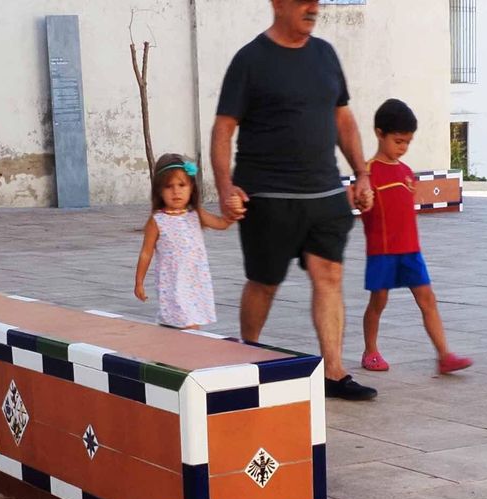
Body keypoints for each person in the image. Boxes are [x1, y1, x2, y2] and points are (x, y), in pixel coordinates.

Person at [212, 0, 379, 401]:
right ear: (278, 3)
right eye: (304, 1)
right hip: (268, 197)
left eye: (317, 1)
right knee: (264, 283)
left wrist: (362, 173)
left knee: (330, 276)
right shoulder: (250, 60)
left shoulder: (325, 55)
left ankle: (334, 373)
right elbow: (223, 129)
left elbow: (344, 119)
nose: (313, 7)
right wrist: (224, 187)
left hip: (324, 193)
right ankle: (247, 351)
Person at [357, 99, 473, 376]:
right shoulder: (367, 172)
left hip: (410, 251)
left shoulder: (407, 172)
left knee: (427, 299)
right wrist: (363, 202)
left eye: (407, 142)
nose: (403, 147)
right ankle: (370, 350)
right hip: (382, 251)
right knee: (378, 301)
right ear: (379, 133)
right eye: (398, 141)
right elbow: (361, 206)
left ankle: (444, 355)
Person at [135, 154, 232, 329]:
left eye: (182, 185)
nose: (176, 191)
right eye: (169, 187)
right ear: (159, 191)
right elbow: (146, 252)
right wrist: (139, 282)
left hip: (195, 281)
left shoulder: (196, 214)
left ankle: (180, 350)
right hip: (173, 282)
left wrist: (233, 213)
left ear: (191, 188)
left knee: (191, 322)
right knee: (183, 321)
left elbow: (222, 223)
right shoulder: (157, 220)